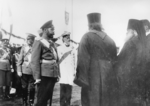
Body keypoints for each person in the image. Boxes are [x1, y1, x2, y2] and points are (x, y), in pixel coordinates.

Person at [74, 13, 118, 106]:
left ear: (89, 25)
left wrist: (82, 80)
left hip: (92, 79)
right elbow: (115, 61)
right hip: (109, 78)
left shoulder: (86, 37)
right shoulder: (110, 40)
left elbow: (83, 60)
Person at [115, 19, 147, 106]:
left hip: (128, 85)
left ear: (134, 32)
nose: (126, 34)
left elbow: (121, 62)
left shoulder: (130, 43)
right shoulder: (143, 43)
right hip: (140, 86)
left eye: (128, 31)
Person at [31, 20, 60, 106]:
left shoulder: (51, 43)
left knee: (48, 100)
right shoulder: (38, 42)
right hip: (44, 76)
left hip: (52, 74)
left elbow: (56, 59)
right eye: (52, 29)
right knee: (41, 100)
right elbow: (34, 60)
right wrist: (37, 77)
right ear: (45, 30)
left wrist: (57, 74)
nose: (54, 32)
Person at [57, 31, 77, 106]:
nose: (68, 39)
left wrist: (74, 71)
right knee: (62, 92)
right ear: (63, 39)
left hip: (70, 73)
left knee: (69, 93)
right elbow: (58, 61)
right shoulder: (59, 48)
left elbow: (75, 60)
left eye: (68, 37)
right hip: (62, 73)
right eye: (66, 37)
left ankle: (68, 104)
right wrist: (58, 73)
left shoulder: (73, 48)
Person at [17, 33, 36, 106]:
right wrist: (19, 70)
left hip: (33, 71)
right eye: (28, 39)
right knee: (24, 87)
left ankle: (31, 101)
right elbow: (20, 60)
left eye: (31, 40)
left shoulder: (35, 48)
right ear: (26, 40)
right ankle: (24, 101)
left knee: (32, 88)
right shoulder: (23, 48)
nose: (30, 41)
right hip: (24, 70)